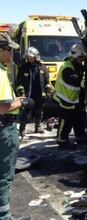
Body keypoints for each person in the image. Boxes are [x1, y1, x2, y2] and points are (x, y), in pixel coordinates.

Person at [0, 33, 34, 220]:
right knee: (4, 175)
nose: (12, 54)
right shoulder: (0, 73)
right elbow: (3, 107)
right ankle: (4, 216)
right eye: (9, 50)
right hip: (4, 129)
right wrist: (22, 102)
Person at [53, 43, 87, 148]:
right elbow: (75, 80)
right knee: (66, 121)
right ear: (77, 56)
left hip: (74, 99)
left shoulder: (77, 66)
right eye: (82, 57)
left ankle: (80, 138)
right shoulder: (67, 68)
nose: (83, 60)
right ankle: (62, 141)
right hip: (65, 99)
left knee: (79, 119)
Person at [16, 47, 51, 136]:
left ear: (36, 57)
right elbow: (19, 81)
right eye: (28, 57)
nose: (29, 58)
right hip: (28, 94)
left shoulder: (42, 67)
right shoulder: (23, 67)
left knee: (39, 111)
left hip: (39, 93)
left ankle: (38, 126)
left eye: (31, 57)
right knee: (25, 112)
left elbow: (47, 81)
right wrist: (22, 93)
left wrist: (47, 91)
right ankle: (22, 129)